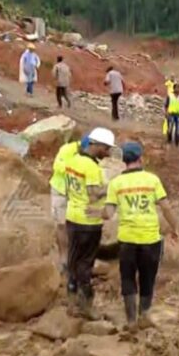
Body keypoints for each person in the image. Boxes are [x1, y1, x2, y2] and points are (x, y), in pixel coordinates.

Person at [99, 142, 179, 332]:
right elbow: (166, 207)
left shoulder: (116, 183)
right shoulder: (152, 180)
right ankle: (144, 315)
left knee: (127, 278)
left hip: (127, 240)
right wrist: (175, 227)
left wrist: (95, 211)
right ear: (140, 159)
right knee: (147, 278)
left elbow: (108, 213)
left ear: (123, 161)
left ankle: (130, 321)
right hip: (150, 238)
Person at [65, 127, 116, 319]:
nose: (108, 153)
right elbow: (94, 194)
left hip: (72, 217)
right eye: (106, 148)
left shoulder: (73, 161)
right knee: (86, 262)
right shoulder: (92, 168)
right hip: (88, 221)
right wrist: (110, 188)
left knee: (73, 259)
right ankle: (85, 306)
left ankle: (71, 301)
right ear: (97, 145)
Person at [49, 135, 88, 277]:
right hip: (60, 190)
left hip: (77, 194)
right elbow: (57, 167)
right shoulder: (67, 149)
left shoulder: (91, 155)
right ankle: (64, 259)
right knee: (61, 225)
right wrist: (77, 168)